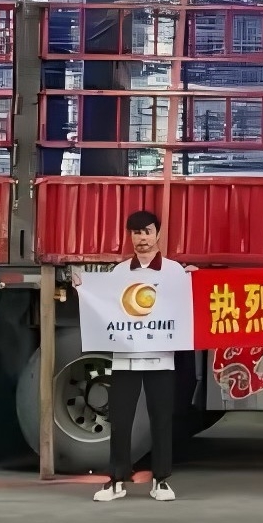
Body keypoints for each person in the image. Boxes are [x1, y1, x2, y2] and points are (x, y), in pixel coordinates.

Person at [91, 208, 184, 504]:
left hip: (161, 356)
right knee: (120, 419)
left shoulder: (175, 271)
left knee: (161, 418)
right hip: (125, 357)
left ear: (158, 234)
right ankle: (116, 479)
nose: (142, 238)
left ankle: (161, 479)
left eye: (147, 232)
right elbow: (105, 306)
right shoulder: (119, 272)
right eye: (136, 232)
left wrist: (195, 280)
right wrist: (84, 290)